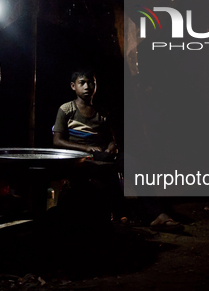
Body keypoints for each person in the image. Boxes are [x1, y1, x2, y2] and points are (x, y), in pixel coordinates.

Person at [53, 68, 181, 230]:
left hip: (101, 155)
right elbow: (57, 141)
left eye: (91, 82)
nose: (87, 86)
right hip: (80, 158)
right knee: (109, 173)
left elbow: (111, 140)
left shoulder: (102, 112)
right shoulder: (66, 110)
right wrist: (86, 148)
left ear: (96, 85)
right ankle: (122, 215)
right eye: (82, 83)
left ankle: (156, 215)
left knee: (135, 166)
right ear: (73, 86)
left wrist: (112, 147)